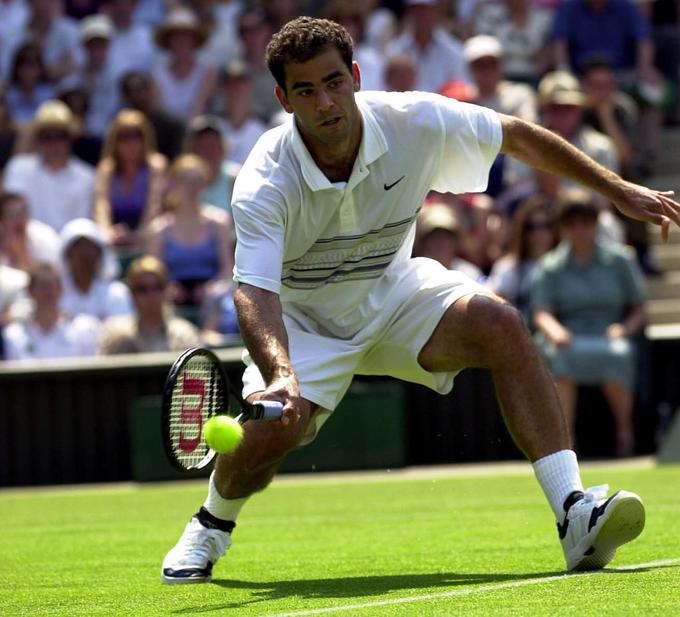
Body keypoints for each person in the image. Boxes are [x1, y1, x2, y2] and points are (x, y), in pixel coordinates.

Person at [161, 17, 679, 584]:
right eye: (306, 90)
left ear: (356, 77)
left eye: (334, 82)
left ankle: (574, 514)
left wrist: (618, 189)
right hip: (303, 319)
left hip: (393, 290)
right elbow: (253, 290)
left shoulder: (414, 120)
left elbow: (516, 135)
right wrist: (282, 374)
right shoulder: (264, 179)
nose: (326, 102)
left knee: (500, 322)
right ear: (284, 99)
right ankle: (210, 525)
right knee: (271, 436)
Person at [531, 190, 646, 457]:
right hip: (569, 337)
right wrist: (555, 331)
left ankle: (625, 436)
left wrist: (624, 329)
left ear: (595, 223)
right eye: (572, 223)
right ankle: (566, 445)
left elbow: (639, 308)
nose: (579, 230)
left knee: (618, 354)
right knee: (561, 359)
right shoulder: (550, 266)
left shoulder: (621, 260)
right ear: (563, 228)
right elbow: (541, 312)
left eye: (586, 222)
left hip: (609, 335)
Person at [145, 154, 233, 308]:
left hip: (212, 300)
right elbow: (154, 273)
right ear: (174, 183)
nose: (191, 187)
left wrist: (212, 288)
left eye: (197, 181)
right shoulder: (158, 228)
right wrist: (167, 288)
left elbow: (227, 268)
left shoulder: (220, 222)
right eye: (185, 181)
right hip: (171, 300)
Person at [3, 99, 95, 232]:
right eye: (46, 136)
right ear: (38, 139)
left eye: (60, 136)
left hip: (69, 249)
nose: (54, 143)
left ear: (71, 138)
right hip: (24, 246)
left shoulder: (87, 176)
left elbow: (81, 226)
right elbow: (10, 219)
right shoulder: (18, 168)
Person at [94, 109, 167, 249]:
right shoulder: (106, 169)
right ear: (114, 141)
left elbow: (154, 205)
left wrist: (138, 235)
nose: (131, 143)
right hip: (114, 237)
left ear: (145, 139)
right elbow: (101, 206)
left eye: (137, 136)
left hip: (147, 236)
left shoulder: (156, 167)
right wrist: (108, 232)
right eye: (124, 137)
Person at [98, 254, 201, 353]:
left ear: (166, 291)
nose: (151, 295)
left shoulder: (183, 335)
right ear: (132, 294)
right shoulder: (117, 335)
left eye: (157, 287)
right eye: (142, 289)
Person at [3, 261, 99, 360]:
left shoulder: (83, 330)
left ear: (61, 289)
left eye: (52, 286)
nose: (48, 292)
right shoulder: (13, 335)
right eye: (42, 286)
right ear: (29, 291)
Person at [487, 195, 559, 321]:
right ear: (523, 231)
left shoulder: (567, 266)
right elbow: (493, 308)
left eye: (546, 226)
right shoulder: (507, 268)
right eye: (531, 227)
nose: (539, 233)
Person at [59, 217, 133, 321]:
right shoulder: (53, 294)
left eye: (89, 247)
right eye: (78, 247)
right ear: (67, 254)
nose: (85, 253)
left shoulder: (117, 293)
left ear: (100, 253)